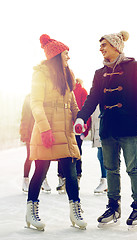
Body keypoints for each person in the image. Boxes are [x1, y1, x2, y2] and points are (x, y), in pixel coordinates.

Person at [73, 31, 137, 227]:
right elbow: (92, 98)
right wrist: (81, 116)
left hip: (129, 126)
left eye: (104, 45)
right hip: (108, 128)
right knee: (111, 169)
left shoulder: (134, 67)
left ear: (116, 46)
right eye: (100, 46)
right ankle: (113, 206)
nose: (101, 49)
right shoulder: (100, 74)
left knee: (133, 167)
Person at [26, 34, 87, 231]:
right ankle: (31, 212)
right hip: (48, 130)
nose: (69, 57)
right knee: (40, 171)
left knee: (70, 173)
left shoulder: (68, 74)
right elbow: (35, 103)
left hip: (65, 131)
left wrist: (79, 119)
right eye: (66, 53)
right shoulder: (41, 74)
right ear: (57, 55)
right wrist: (45, 129)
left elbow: (73, 103)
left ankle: (75, 211)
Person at [56, 78, 91, 193]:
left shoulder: (82, 91)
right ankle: (62, 178)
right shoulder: (62, 89)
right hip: (64, 128)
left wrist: (84, 130)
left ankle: (76, 177)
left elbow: (85, 111)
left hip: (77, 129)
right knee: (61, 152)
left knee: (76, 153)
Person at [20, 94, 51, 193]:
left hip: (41, 130)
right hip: (30, 132)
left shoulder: (45, 96)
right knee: (30, 156)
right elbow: (24, 116)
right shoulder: (29, 97)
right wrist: (24, 133)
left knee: (42, 157)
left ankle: (43, 179)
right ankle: (25, 180)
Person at [91, 105, 107, 193]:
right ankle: (105, 181)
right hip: (97, 127)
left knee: (103, 155)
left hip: (104, 126)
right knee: (100, 155)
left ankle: (105, 181)